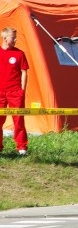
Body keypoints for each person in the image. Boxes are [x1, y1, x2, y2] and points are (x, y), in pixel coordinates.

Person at [0, 27, 30, 155]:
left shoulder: (19, 54)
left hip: (15, 92)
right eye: (13, 37)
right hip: (0, 92)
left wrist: (22, 90)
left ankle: (21, 147)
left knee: (18, 120)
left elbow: (24, 72)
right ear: (5, 38)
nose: (15, 40)